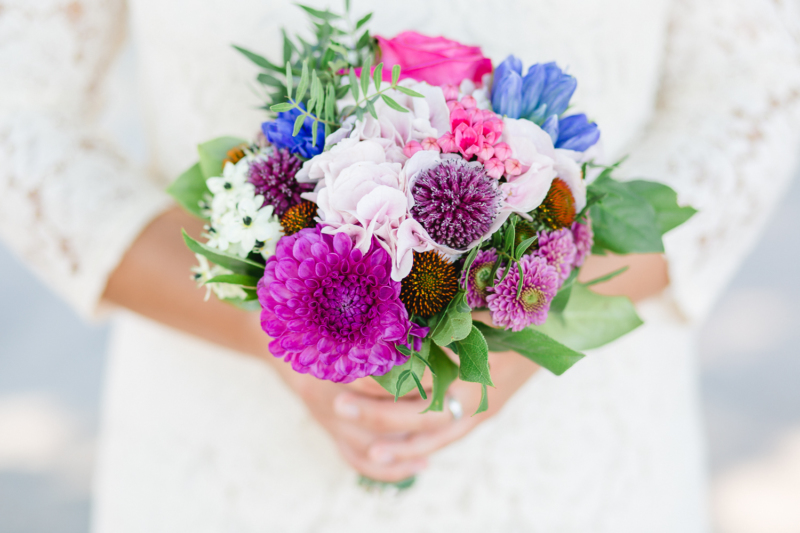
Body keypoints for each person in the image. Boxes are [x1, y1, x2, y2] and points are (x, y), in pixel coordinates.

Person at [2, 0, 799, 530]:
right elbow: (20, 114)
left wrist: (538, 301)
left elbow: (752, 92)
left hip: (577, 469)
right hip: (221, 460)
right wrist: (275, 321)